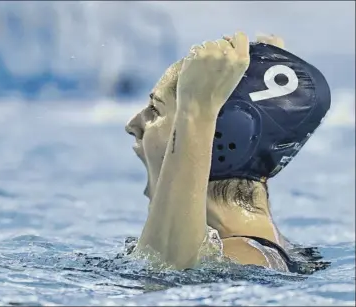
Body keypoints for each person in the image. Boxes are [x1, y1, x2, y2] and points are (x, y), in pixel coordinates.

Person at [124, 32, 331, 273]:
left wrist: (195, 113)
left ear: (218, 136)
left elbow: (159, 274)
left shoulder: (243, 257)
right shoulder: (264, 247)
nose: (133, 125)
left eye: (155, 111)